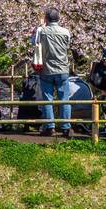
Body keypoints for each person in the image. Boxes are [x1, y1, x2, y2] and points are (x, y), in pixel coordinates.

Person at [32, 8, 73, 137]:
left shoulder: (42, 31)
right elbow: (67, 45)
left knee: (47, 99)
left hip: (47, 70)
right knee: (64, 99)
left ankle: (50, 127)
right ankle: (66, 127)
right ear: (58, 18)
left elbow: (33, 42)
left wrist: (40, 26)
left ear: (46, 18)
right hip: (62, 69)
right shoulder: (66, 32)